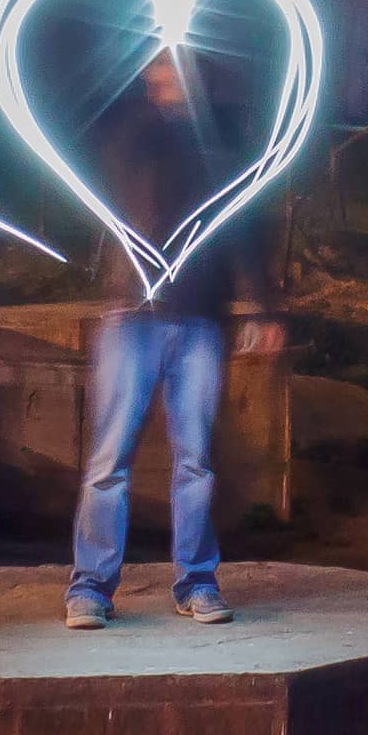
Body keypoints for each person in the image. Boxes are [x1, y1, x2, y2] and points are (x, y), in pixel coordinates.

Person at [67, 44, 247, 630]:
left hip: (198, 318)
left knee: (196, 462)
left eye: (182, 64)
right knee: (109, 461)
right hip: (133, 314)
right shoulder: (128, 129)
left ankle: (197, 582)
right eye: (162, 64)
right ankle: (90, 587)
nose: (172, 74)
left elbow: (241, 223)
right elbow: (105, 148)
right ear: (149, 72)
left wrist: (264, 307)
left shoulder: (218, 141)